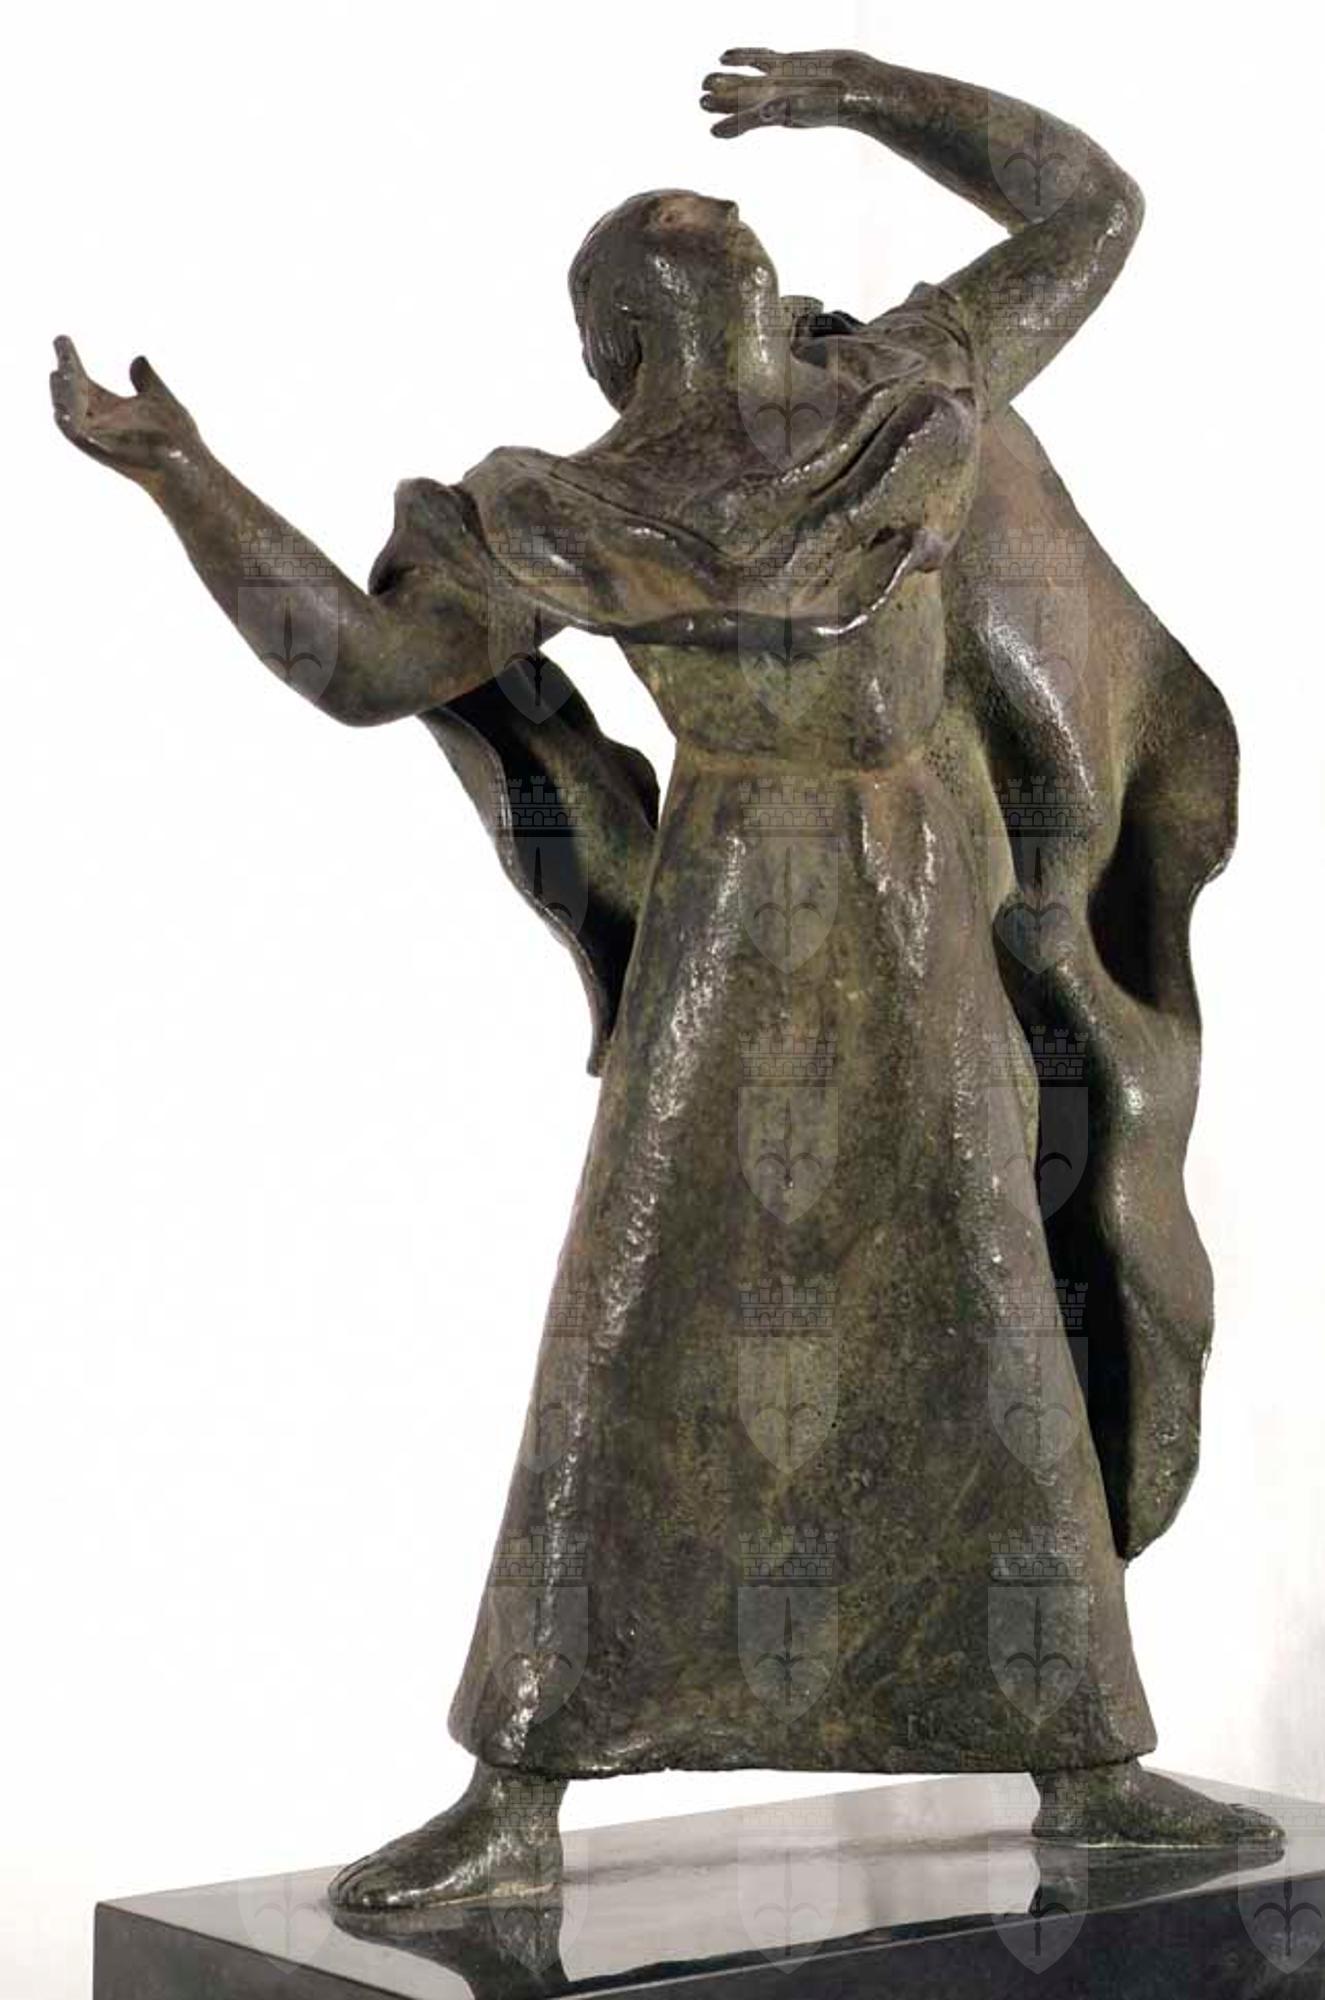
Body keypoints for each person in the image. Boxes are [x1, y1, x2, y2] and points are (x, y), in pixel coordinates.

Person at [52, 46, 1278, 1910]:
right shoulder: (566, 508)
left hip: (924, 915)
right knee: (632, 1332)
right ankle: (517, 1787)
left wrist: (858, 87)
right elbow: (364, 666)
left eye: (731, 231)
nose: (717, 245)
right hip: (729, 942)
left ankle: (1084, 1758)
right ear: (619, 340)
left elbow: (1090, 210)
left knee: (992, 1311)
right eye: (677, 247)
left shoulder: (903, 392)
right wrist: (182, 475)